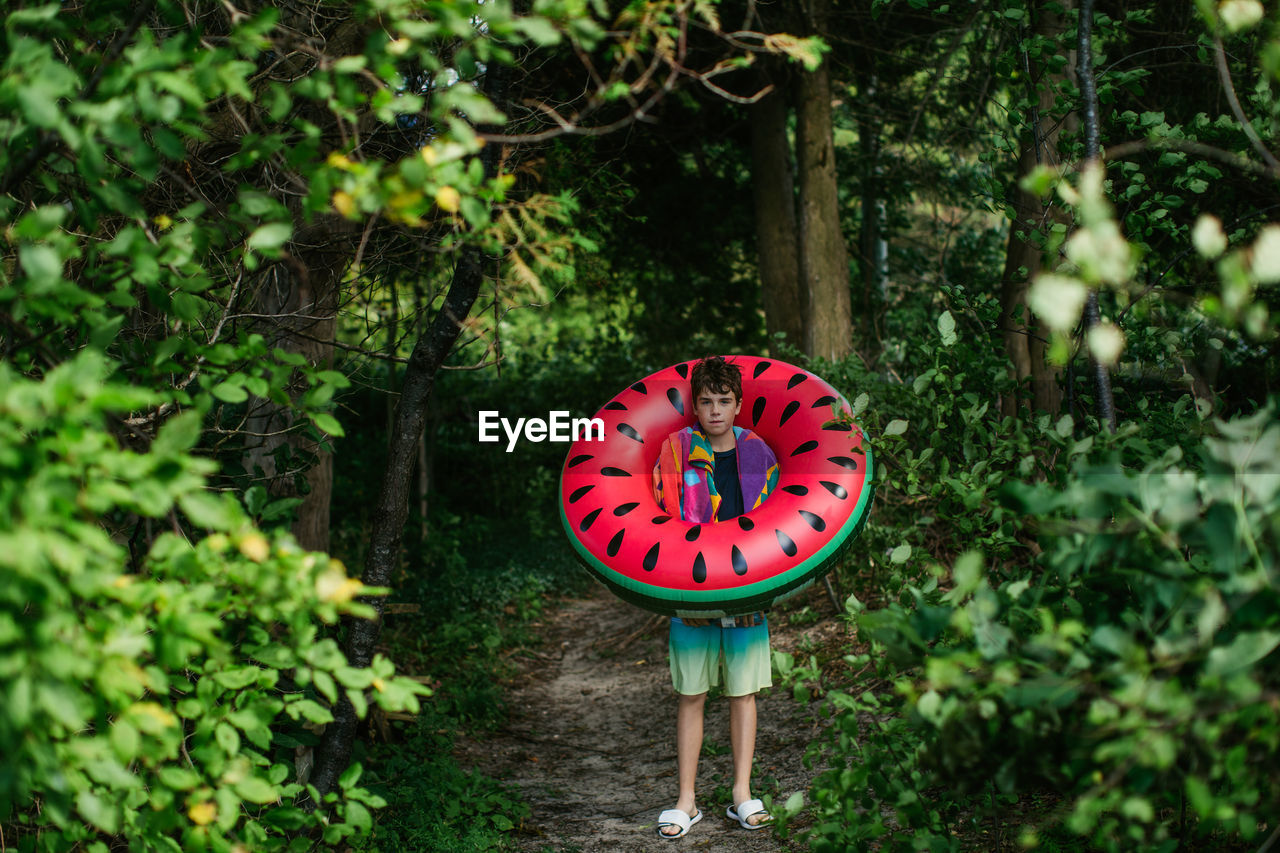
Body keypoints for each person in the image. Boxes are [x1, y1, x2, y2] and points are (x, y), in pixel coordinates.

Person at [650, 355, 780, 839]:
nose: (716, 410)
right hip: (693, 588)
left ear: (739, 404)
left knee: (742, 692)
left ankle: (742, 794)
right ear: (695, 406)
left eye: (724, 401)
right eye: (706, 401)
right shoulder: (676, 450)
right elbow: (660, 513)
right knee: (691, 693)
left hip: (747, 590)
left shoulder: (759, 452)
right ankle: (687, 799)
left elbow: (776, 519)